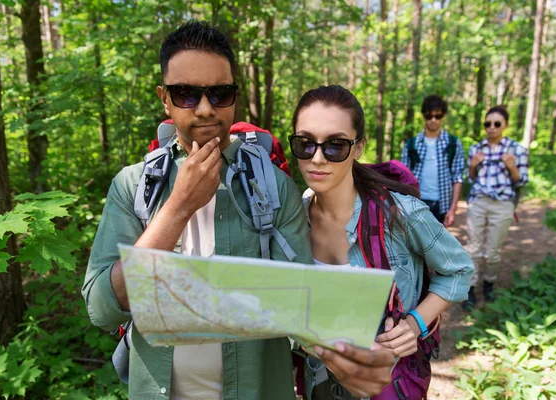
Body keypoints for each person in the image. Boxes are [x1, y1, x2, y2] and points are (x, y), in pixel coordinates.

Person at [82, 21, 394, 400]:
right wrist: (179, 206)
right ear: (164, 98)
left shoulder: (275, 187)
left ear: (235, 96)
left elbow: (299, 308)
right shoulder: (134, 185)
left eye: (220, 93)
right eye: (185, 94)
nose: (204, 109)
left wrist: (348, 357)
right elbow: (102, 308)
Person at [290, 85, 474, 399]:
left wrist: (415, 324)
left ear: (359, 147)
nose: (317, 158)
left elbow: (458, 270)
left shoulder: (400, 213)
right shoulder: (293, 217)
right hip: (317, 383)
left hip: (390, 385)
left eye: (335, 145)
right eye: (305, 143)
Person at [462, 105, 529, 310]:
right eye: (487, 123)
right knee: (473, 247)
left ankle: (489, 283)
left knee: (493, 251)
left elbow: (522, 181)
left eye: (496, 123)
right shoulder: (477, 149)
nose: (491, 127)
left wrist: (512, 167)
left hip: (503, 204)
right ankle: (470, 289)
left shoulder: (516, 150)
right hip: (479, 201)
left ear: (505, 125)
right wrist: (473, 165)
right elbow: (470, 178)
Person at [401, 95, 465, 226]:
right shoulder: (411, 144)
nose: (433, 120)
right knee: (415, 244)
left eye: (438, 116)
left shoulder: (453, 143)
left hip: (442, 204)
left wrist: (452, 210)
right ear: (424, 116)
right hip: (416, 202)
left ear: (443, 116)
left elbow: (457, 178)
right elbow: (403, 178)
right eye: (429, 116)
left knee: (438, 245)